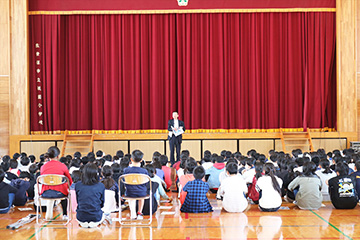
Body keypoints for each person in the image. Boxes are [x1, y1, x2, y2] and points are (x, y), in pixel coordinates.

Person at [40, 146, 73, 220]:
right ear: (58, 156)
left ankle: (49, 215)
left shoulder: (43, 167)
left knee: (51, 192)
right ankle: (64, 214)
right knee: (64, 193)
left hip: (46, 193)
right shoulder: (62, 166)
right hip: (60, 193)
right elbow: (69, 181)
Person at [75, 163, 106, 228]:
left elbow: (78, 201)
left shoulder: (78, 185)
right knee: (104, 214)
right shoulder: (101, 185)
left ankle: (85, 223)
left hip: (81, 216)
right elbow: (102, 203)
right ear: (96, 174)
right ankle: (93, 223)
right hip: (96, 216)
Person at [123, 150, 149, 220]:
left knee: (131, 197)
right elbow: (146, 183)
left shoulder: (126, 170)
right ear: (141, 160)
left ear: (131, 159)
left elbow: (124, 181)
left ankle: (133, 213)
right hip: (141, 192)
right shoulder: (144, 171)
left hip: (129, 192)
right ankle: (139, 213)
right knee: (142, 197)